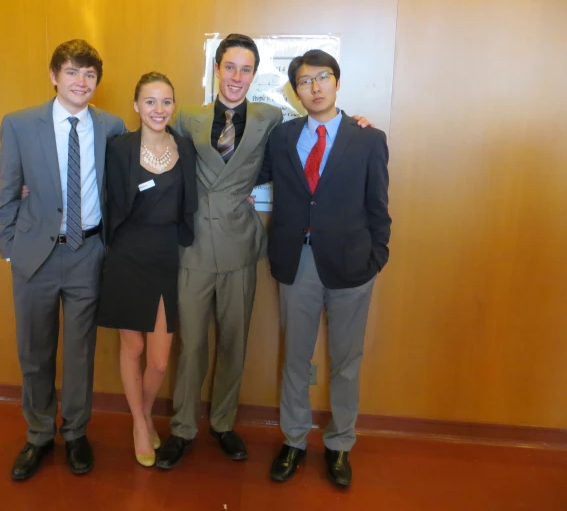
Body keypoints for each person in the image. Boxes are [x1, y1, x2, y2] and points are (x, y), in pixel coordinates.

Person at [256, 49, 391, 487]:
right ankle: (293, 441)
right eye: (304, 81)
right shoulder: (282, 136)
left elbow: (378, 206)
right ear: (295, 91)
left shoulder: (367, 138)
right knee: (295, 358)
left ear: (336, 82)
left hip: (353, 266)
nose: (314, 87)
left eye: (322, 78)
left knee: (346, 362)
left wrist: (377, 257)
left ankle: (339, 445)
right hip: (298, 263)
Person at [0, 39, 126, 481]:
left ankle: (75, 433)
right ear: (54, 76)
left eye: (89, 74)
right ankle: (37, 434)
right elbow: (8, 191)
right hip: (36, 254)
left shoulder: (111, 127)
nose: (81, 82)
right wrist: (11, 247)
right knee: (34, 350)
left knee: (80, 351)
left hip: (87, 250)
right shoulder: (19, 124)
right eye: (72, 72)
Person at [155, 34, 283, 469]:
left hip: (240, 247)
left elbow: (296, 147)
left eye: (246, 69)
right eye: (230, 67)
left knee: (234, 341)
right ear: (216, 68)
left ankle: (224, 423)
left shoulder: (270, 117)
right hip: (192, 247)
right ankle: (183, 428)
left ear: (254, 74)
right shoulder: (186, 116)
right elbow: (152, 153)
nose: (237, 78)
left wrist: (353, 121)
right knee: (190, 345)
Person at [97, 72, 197, 468]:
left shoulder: (186, 148)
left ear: (174, 106)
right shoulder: (118, 148)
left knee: (157, 359)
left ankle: (145, 409)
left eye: (166, 101)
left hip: (166, 256)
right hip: (126, 254)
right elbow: (93, 188)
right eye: (150, 101)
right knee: (132, 347)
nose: (159, 109)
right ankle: (141, 423)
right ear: (136, 106)